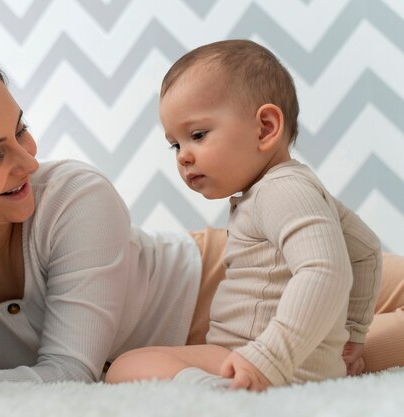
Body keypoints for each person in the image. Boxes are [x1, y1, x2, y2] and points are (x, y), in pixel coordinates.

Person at [0, 44, 402, 392]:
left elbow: (69, 375)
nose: (29, 158)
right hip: (222, 305)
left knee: (339, 352)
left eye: (20, 129)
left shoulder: (75, 196)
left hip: (234, 276)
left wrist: (341, 334)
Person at [104, 39, 387, 391]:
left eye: (197, 135)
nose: (183, 156)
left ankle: (216, 393)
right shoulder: (289, 188)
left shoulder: (281, 191)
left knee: (127, 365)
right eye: (176, 144)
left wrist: (269, 358)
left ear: (266, 128)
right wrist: (353, 336)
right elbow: (365, 250)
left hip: (263, 361)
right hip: (263, 358)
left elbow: (325, 270)